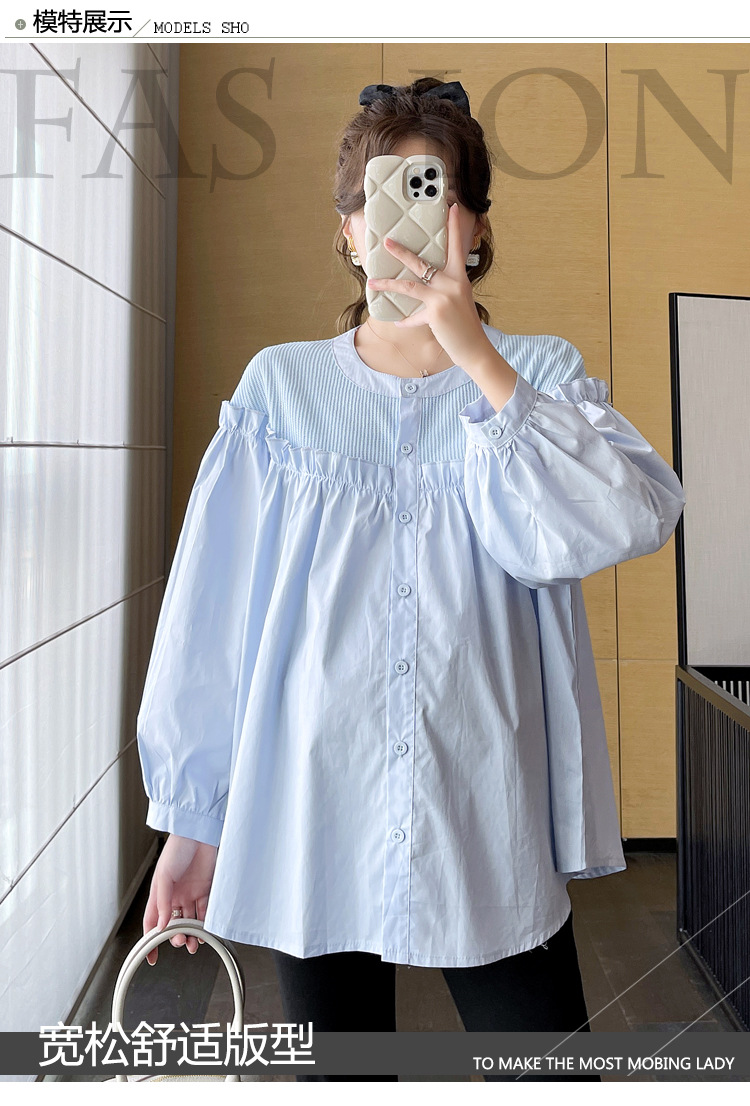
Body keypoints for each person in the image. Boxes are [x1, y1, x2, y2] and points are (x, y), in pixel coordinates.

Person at [135, 78, 686, 1082]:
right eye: (377, 200)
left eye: (437, 196)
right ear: (349, 231)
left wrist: (479, 360)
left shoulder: (538, 374)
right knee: (343, 1077)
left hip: (487, 794)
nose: (406, 225)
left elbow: (631, 514)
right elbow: (209, 620)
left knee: (552, 1067)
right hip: (312, 797)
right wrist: (192, 820)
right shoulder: (280, 389)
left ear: (474, 227)